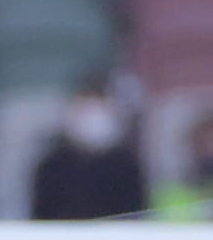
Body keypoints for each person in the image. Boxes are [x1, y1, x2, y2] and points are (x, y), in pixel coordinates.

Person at [28, 83, 145, 222]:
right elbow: (43, 218)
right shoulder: (51, 166)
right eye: (85, 109)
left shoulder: (126, 166)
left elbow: (135, 216)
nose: (91, 118)